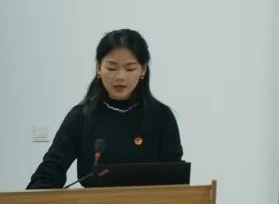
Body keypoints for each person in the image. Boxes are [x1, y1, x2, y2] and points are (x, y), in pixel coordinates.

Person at [27, 29, 183, 189]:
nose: (120, 77)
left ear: (143, 70)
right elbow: (50, 170)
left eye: (130, 69)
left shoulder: (162, 117)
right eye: (111, 68)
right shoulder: (81, 117)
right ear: (98, 68)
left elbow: (175, 178)